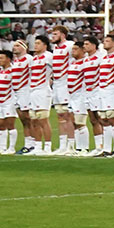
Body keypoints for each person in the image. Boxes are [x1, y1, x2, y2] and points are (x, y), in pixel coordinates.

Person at [48, 26, 75, 155]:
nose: (52, 36)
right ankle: (62, 145)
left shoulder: (70, 45)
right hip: (57, 84)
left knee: (68, 114)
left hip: (66, 84)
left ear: (63, 35)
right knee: (60, 115)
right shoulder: (55, 48)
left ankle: (71, 145)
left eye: (55, 34)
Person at [26, 36, 54, 156]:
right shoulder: (34, 59)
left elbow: (57, 70)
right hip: (33, 91)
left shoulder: (49, 56)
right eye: (35, 43)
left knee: (43, 119)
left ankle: (47, 147)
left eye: (38, 43)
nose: (35, 45)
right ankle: (38, 146)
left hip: (43, 91)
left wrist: (52, 79)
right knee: (33, 120)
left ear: (45, 45)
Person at [0, 50, 17, 154]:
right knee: (1, 124)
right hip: (1, 102)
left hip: (10, 101)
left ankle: (11, 148)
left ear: (8, 59)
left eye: (1, 58)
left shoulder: (13, 71)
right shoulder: (1, 71)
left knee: (10, 124)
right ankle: (2, 147)